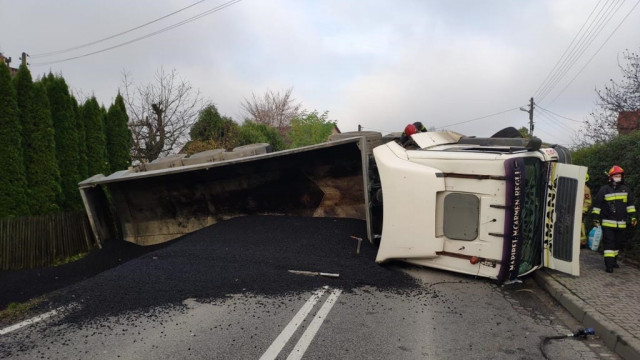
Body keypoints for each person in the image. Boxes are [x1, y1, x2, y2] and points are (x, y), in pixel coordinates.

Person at [591, 165, 637, 273]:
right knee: (609, 243)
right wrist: (595, 218)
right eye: (616, 175)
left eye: (619, 175)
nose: (618, 177)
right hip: (608, 223)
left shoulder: (626, 190)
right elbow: (597, 205)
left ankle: (614, 261)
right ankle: (609, 266)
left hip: (621, 224)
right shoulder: (604, 189)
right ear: (611, 177)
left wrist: (633, 217)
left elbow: (630, 206)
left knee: (618, 243)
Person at [580, 173, 592, 248]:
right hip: (575, 210)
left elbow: (588, 201)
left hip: (581, 211)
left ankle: (583, 242)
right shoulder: (577, 186)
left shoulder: (586, 189)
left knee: (581, 226)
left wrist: (583, 210)